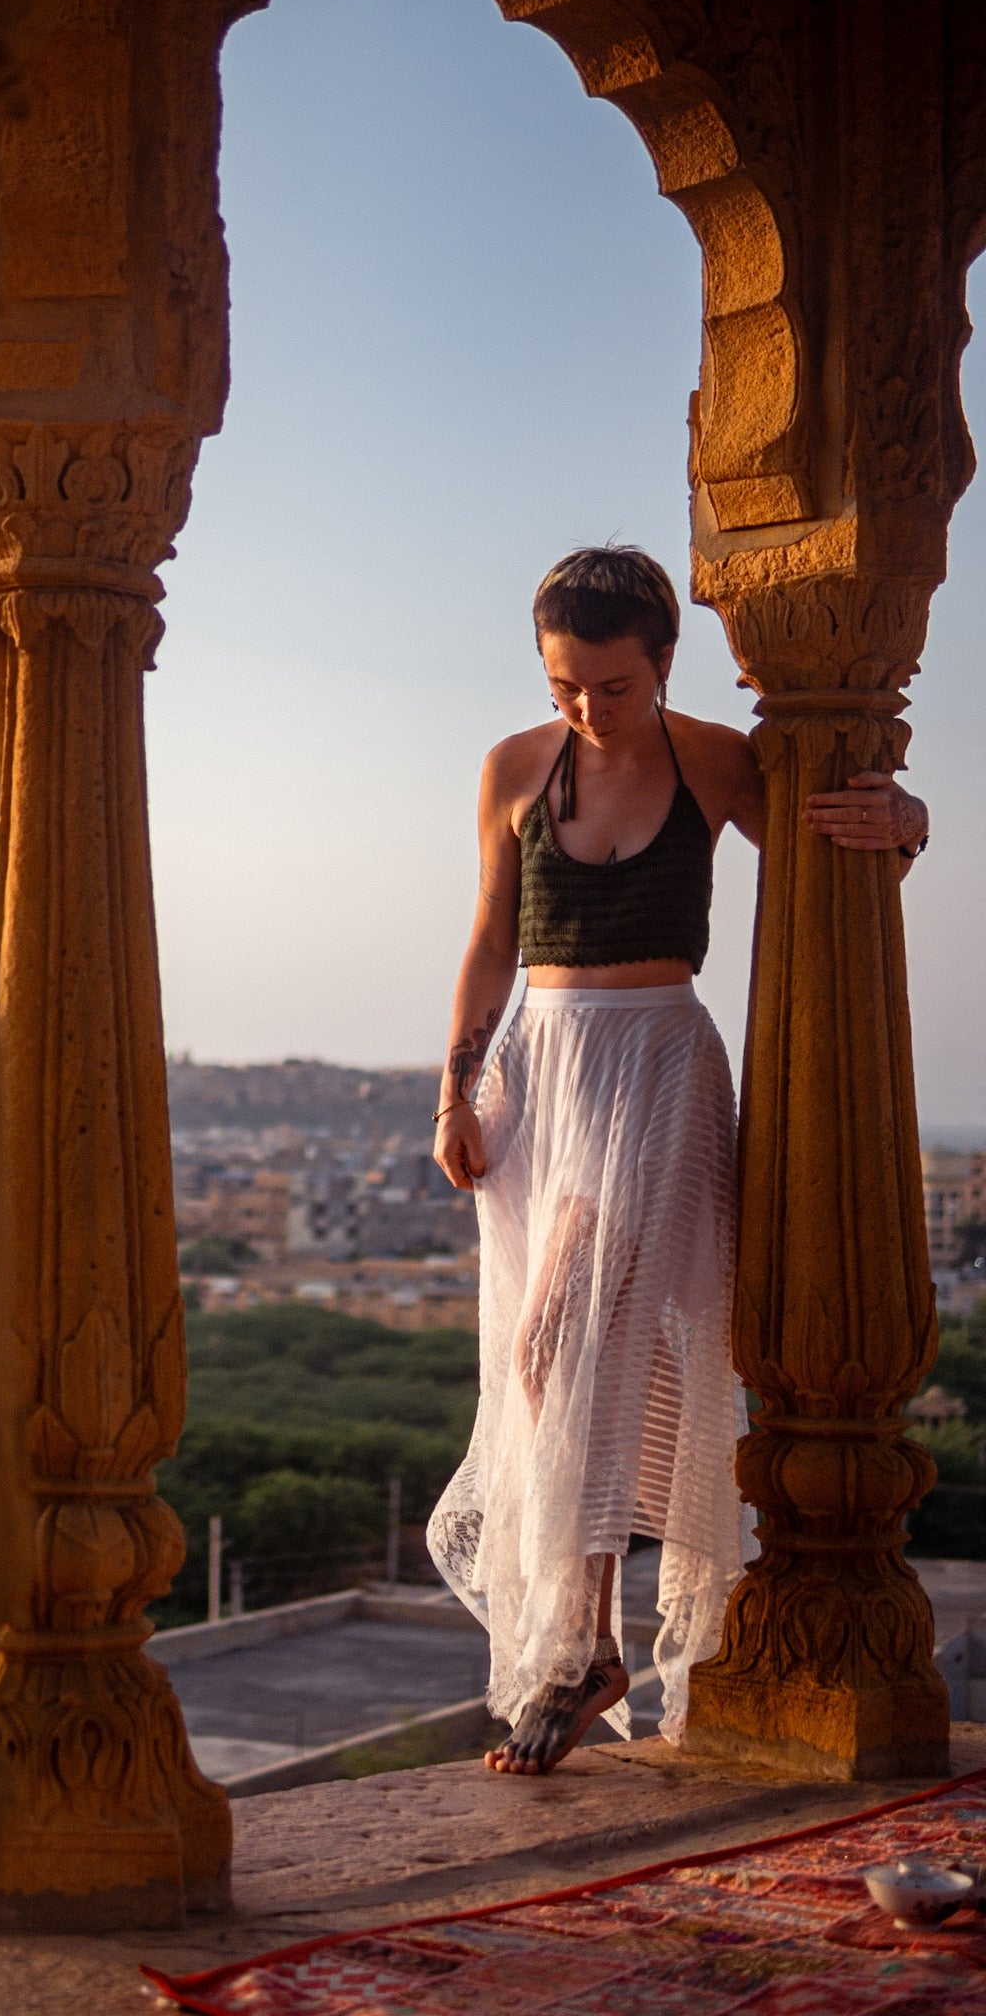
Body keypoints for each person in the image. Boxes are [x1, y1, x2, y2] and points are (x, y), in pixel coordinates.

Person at [426, 546, 929, 1776]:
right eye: (563, 684)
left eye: (608, 684)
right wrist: (453, 1087)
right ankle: (585, 1636)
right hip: (543, 1077)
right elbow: (491, 941)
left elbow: (829, 848)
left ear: (662, 661)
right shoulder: (511, 768)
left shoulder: (713, 759)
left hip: (659, 1070)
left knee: (579, 1341)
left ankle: (585, 1647)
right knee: (548, 1356)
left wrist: (907, 822)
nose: (585, 707)